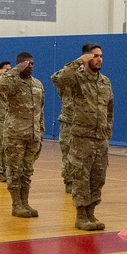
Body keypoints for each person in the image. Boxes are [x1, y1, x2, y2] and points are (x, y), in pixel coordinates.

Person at [53, 43, 113, 231]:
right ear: (87, 58)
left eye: (101, 56)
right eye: (95, 56)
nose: (99, 59)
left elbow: (109, 108)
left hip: (100, 138)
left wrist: (108, 128)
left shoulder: (105, 82)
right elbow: (59, 79)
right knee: (81, 177)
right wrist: (79, 61)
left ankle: (91, 213)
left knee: (98, 177)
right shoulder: (77, 79)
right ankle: (81, 216)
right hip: (81, 137)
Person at [0, 52, 44, 218]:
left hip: (32, 136)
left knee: (27, 171)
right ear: (19, 64)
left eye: (32, 64)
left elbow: (40, 110)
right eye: (27, 64)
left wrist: (41, 131)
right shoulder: (11, 82)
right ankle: (16, 204)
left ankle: (25, 203)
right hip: (15, 135)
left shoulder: (37, 84)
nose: (30, 67)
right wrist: (15, 70)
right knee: (14, 171)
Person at [50, 61, 78, 194]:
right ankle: (69, 181)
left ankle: (80, 181)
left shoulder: (86, 85)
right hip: (68, 123)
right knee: (68, 154)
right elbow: (55, 77)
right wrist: (73, 67)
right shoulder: (64, 85)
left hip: (83, 124)